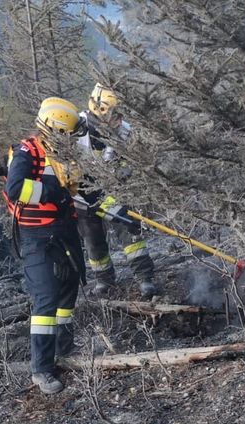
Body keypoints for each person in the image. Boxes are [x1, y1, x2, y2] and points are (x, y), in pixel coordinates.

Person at [3, 97, 86, 394]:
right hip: (37, 236)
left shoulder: (65, 154)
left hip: (64, 231)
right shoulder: (27, 152)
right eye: (71, 132)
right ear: (56, 129)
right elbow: (15, 189)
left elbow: (83, 191)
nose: (75, 138)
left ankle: (66, 349)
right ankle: (41, 368)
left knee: (68, 292)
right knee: (46, 299)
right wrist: (51, 191)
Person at [75, 84, 158, 299]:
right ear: (101, 110)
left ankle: (144, 277)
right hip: (82, 192)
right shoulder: (76, 128)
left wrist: (122, 174)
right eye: (115, 114)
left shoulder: (124, 131)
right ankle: (103, 280)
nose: (120, 119)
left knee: (128, 228)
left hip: (112, 190)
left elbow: (132, 160)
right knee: (93, 238)